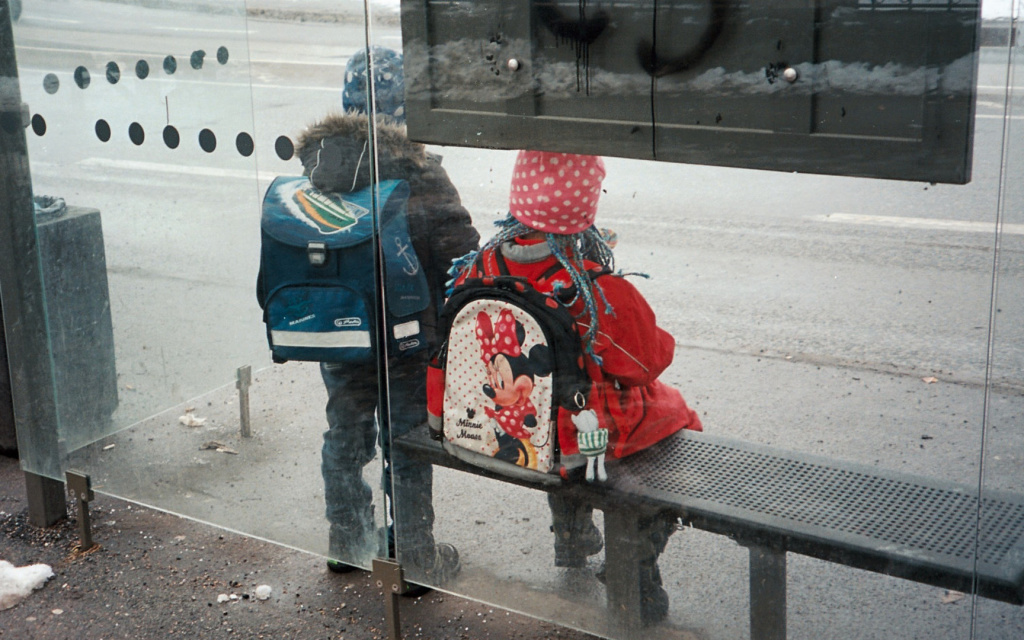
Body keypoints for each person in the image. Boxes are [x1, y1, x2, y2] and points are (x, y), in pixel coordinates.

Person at [448, 149, 702, 624]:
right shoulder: (592, 287)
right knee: (679, 421)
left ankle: (572, 536)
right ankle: (636, 564)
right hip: (586, 434)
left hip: (514, 426)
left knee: (557, 416)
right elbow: (645, 363)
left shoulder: (480, 266)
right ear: (585, 209)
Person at [295, 46, 480, 583]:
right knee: (407, 442)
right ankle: (413, 557)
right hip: (406, 340)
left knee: (345, 433)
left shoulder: (321, 169)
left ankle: (346, 541)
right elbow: (458, 254)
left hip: (341, 334)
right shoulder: (421, 173)